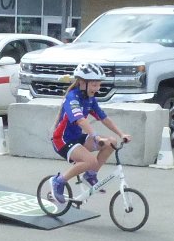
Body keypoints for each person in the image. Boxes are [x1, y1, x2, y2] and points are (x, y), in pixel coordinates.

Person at [48, 63, 131, 204]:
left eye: (99, 85)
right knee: (89, 161)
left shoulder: (89, 99)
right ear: (82, 82)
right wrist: (96, 136)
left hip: (76, 138)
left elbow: (103, 118)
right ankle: (58, 181)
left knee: (112, 142)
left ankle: (90, 175)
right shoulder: (72, 98)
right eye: (94, 85)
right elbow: (80, 121)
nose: (97, 89)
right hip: (62, 140)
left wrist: (121, 133)